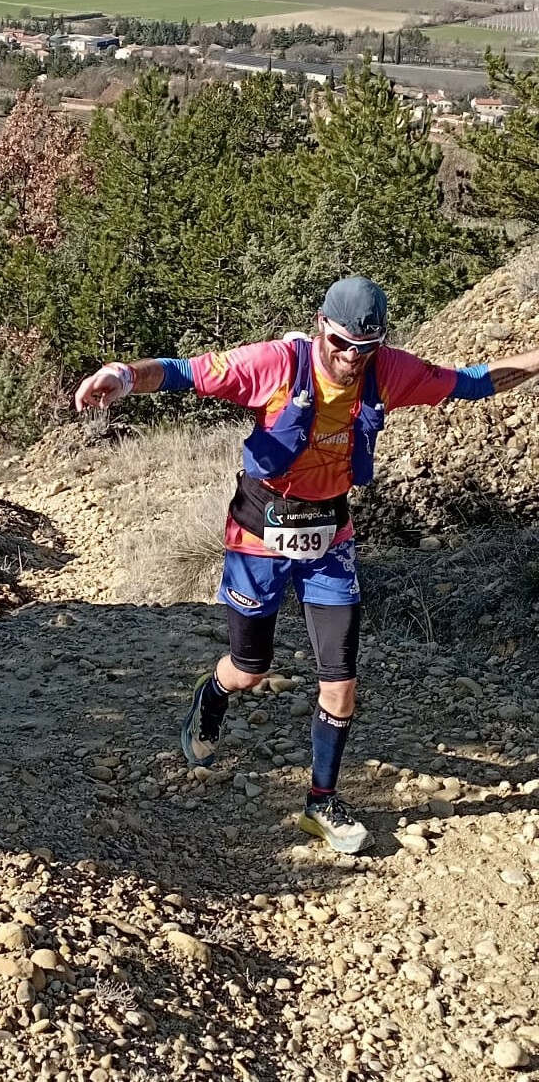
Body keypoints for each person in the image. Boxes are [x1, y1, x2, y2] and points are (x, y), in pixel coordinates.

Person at [75, 275, 539, 855]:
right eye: (342, 343)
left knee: (341, 684)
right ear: (322, 326)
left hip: (330, 538)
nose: (352, 358)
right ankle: (212, 694)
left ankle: (321, 801)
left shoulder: (388, 371)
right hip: (257, 534)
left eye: (365, 348)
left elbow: (473, 382)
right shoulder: (273, 364)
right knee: (249, 669)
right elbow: (180, 372)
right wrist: (121, 375)